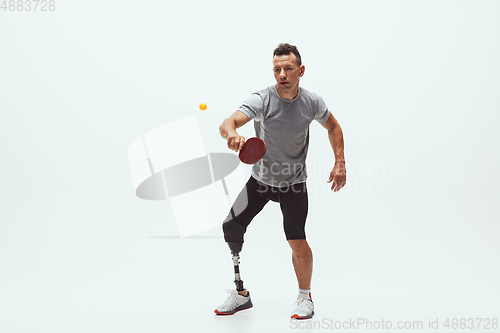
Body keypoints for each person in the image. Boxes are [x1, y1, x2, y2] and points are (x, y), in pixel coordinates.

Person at [214, 43, 346, 319]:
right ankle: (240, 294)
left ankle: (304, 297)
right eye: (277, 69)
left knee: (297, 240)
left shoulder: (312, 102)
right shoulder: (262, 99)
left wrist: (340, 162)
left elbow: (333, 126)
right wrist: (231, 135)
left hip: (293, 183)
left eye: (288, 68)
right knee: (231, 226)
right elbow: (228, 122)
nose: (282, 74)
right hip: (261, 181)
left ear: (301, 70)